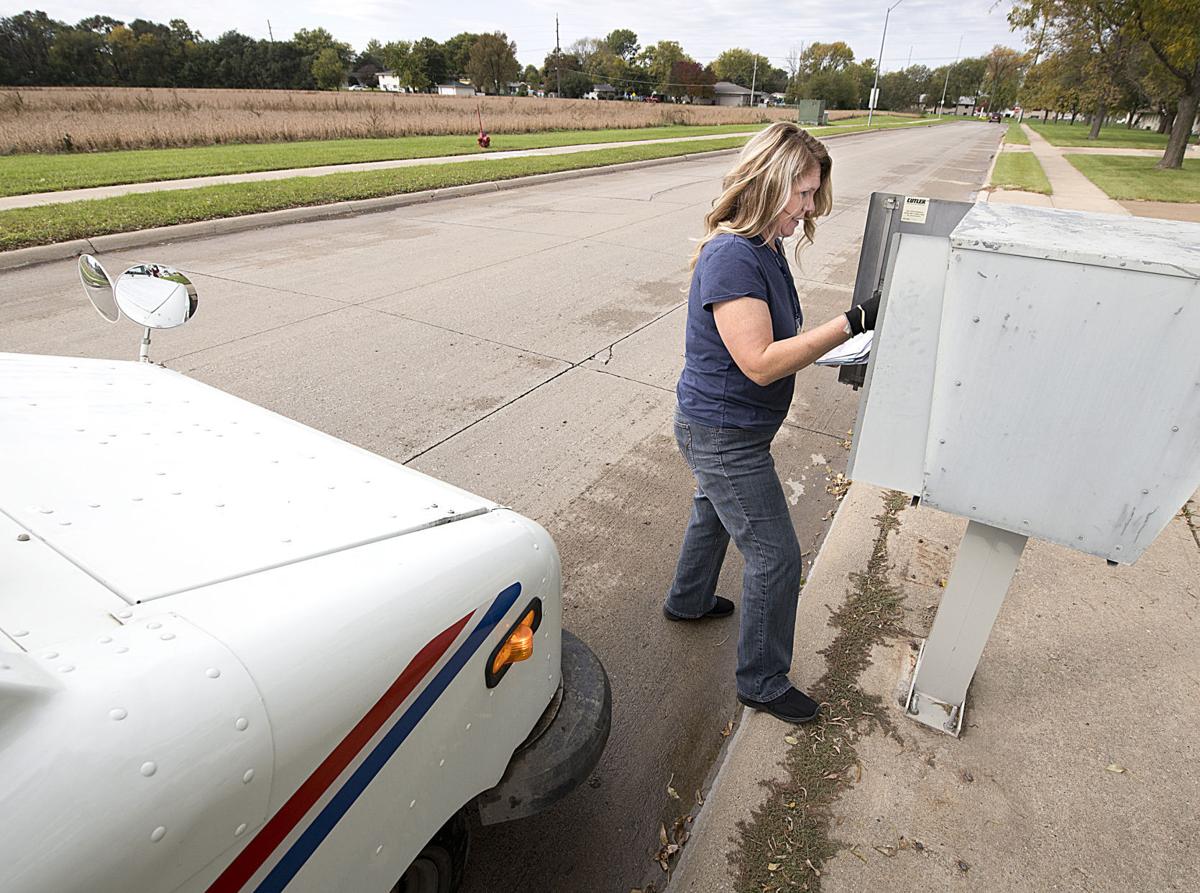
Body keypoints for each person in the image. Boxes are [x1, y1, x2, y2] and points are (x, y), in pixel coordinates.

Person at [663, 122, 879, 724]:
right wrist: (851, 323)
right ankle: (761, 680)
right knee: (777, 556)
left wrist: (832, 343)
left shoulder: (764, 245)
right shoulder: (734, 256)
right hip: (724, 432)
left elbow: (774, 338)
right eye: (802, 194)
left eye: (813, 195)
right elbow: (758, 364)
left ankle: (688, 600)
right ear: (768, 183)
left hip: (727, 427)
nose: (809, 210)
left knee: (711, 508)